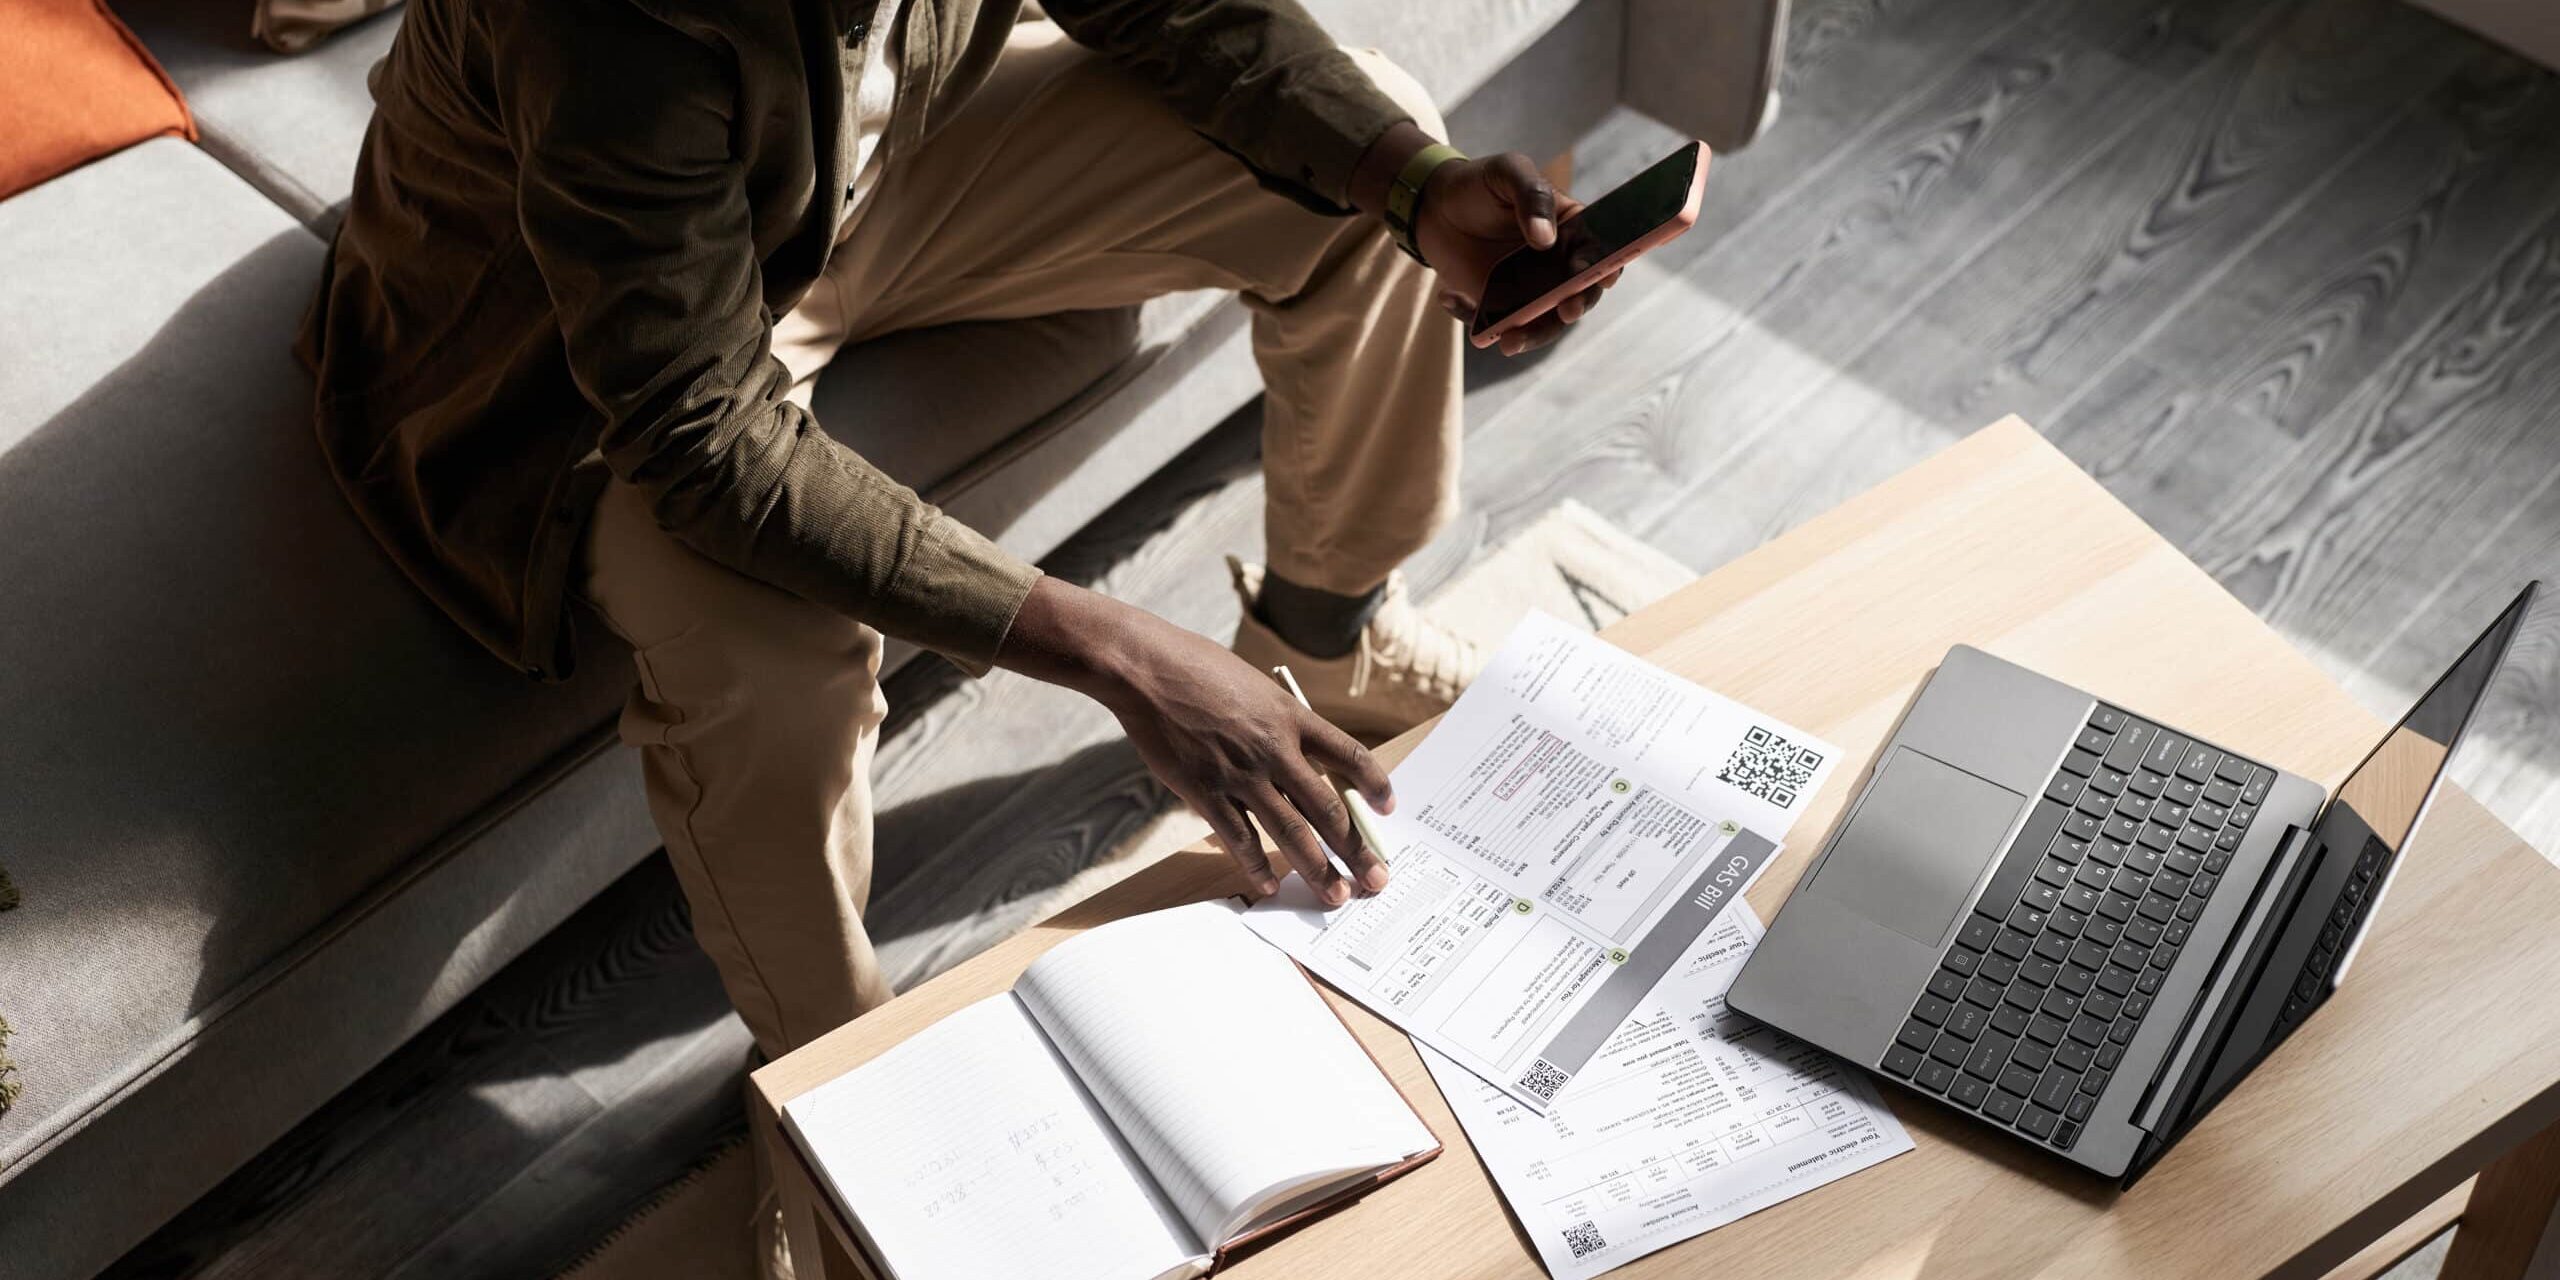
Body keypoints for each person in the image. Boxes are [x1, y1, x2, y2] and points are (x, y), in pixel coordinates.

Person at [302, 0, 1615, 1270]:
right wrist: (1113, 648)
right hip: (564, 357)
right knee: (774, 629)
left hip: (850, 187)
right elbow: (699, 440)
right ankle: (841, 1090)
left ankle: (1327, 635)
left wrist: (1416, 178)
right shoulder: (617, 25)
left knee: (1364, 151)